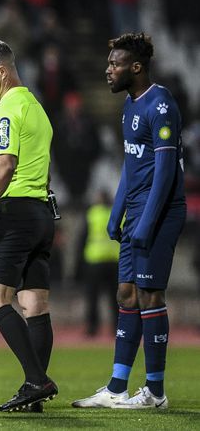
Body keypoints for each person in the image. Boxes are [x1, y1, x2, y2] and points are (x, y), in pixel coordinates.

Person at [72, 33, 186, 409]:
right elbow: (132, 165)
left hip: (160, 211)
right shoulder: (129, 105)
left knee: (150, 295)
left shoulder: (161, 104)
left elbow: (165, 172)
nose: (108, 70)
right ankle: (117, 387)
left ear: (135, 67)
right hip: (136, 212)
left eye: (115, 64)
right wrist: (118, 212)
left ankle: (155, 392)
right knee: (126, 293)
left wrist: (146, 223)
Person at [0, 39, 58, 412]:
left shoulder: (6, 110)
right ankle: (35, 394)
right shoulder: (37, 109)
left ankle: (37, 381)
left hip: (14, 213)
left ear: (1, 71)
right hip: (41, 213)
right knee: (34, 304)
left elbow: (5, 164)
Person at [77, 190, 119, 337]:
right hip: (114, 261)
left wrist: (79, 264)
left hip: (94, 261)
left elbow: (83, 238)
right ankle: (117, 327)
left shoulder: (92, 214)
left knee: (92, 297)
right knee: (115, 298)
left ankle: (92, 328)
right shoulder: (117, 214)